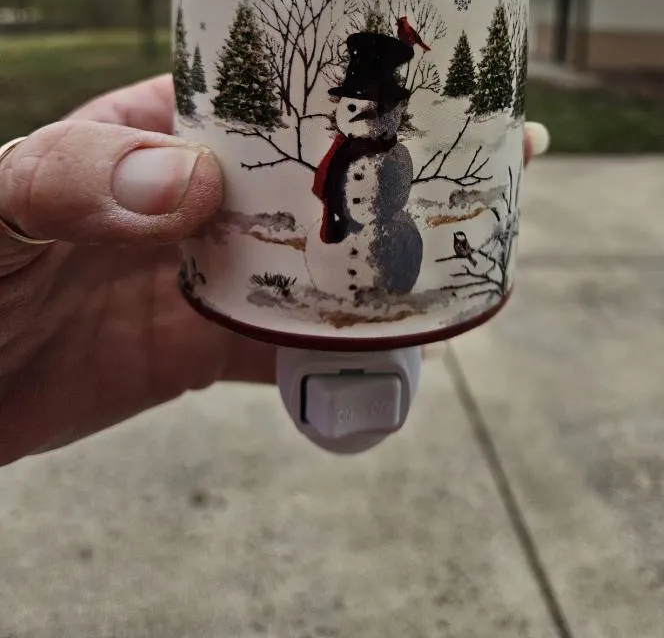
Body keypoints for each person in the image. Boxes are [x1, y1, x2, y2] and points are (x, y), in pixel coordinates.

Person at [0, 74, 547, 469]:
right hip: (319, 252)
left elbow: (383, 197)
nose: (353, 116)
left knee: (376, 260)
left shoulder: (390, 159)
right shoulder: (341, 157)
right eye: (348, 107)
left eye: (364, 109)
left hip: (381, 246)